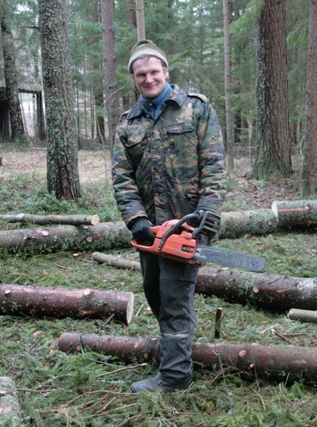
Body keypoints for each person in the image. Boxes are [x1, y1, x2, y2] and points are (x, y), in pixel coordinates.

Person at [111, 39, 226, 393]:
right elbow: (121, 177)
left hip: (188, 222)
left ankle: (176, 376)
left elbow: (214, 166)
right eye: (141, 74)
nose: (148, 79)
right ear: (134, 78)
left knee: (174, 296)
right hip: (150, 230)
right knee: (154, 292)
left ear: (166, 72)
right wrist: (136, 219)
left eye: (154, 72)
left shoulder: (196, 110)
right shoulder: (128, 123)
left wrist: (208, 211)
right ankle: (178, 346)